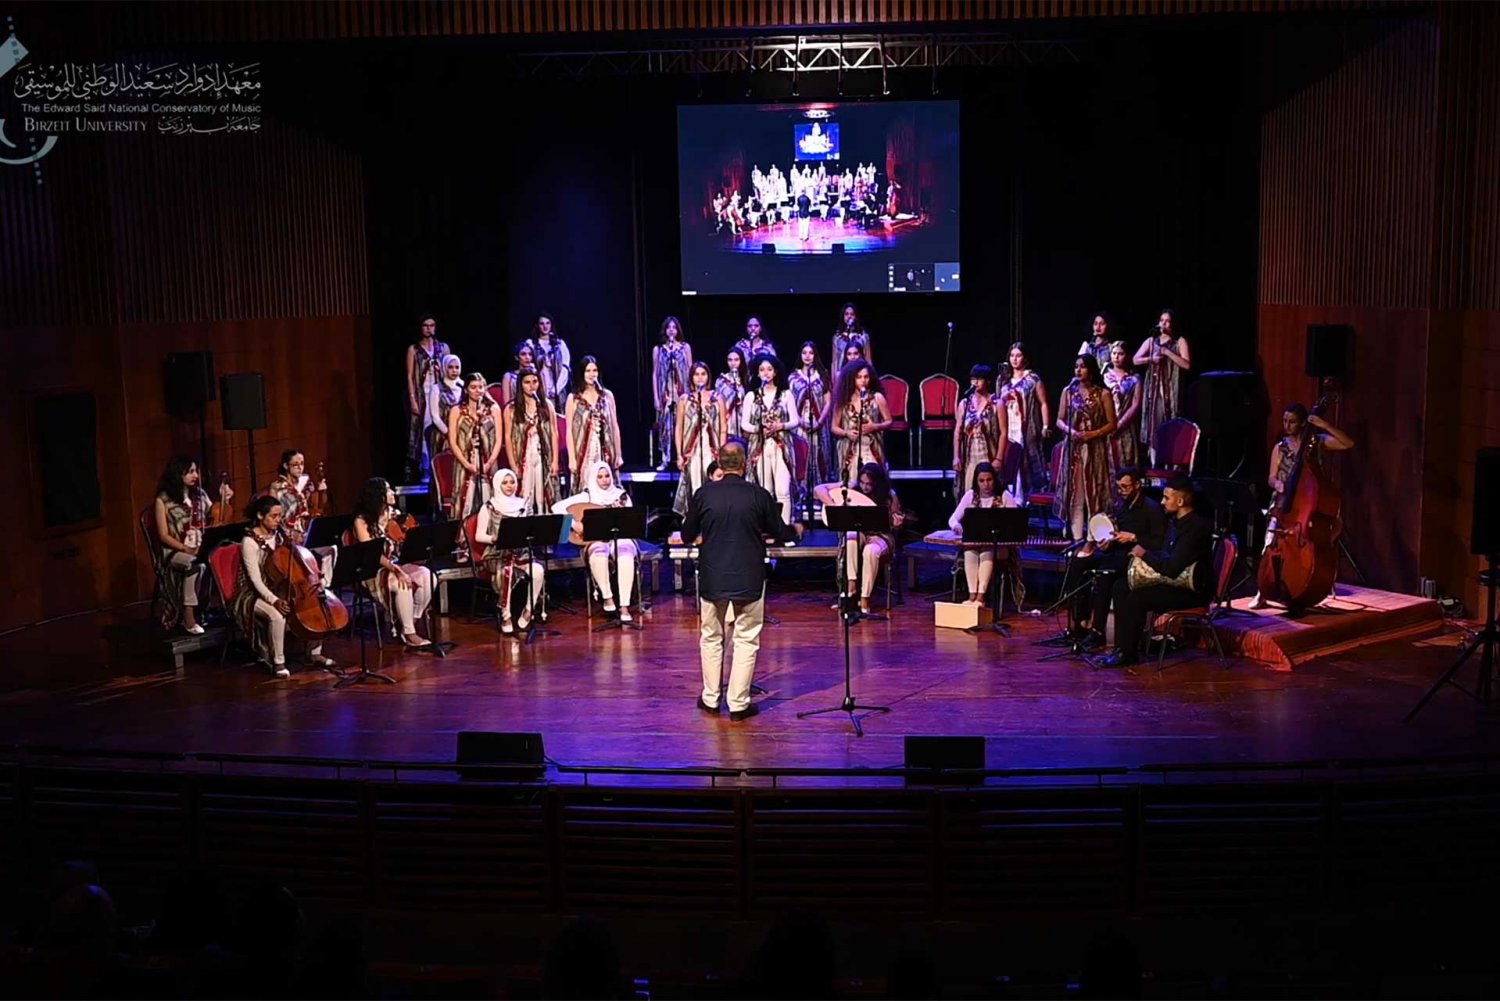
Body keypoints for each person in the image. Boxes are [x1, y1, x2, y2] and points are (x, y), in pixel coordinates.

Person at [681, 440, 801, 720]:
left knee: (711, 637)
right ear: (745, 464)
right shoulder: (758, 495)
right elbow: (778, 531)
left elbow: (688, 534)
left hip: (713, 574)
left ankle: (711, 698)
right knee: (746, 638)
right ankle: (738, 704)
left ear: (720, 464)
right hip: (748, 575)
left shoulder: (703, 494)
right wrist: (795, 530)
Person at [1248, 403, 1355, 609]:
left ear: (1303, 423)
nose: (1287, 425)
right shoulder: (1280, 447)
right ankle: (1262, 590)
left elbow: (1347, 443)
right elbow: (1271, 477)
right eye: (1285, 421)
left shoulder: (1315, 442)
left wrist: (1323, 424)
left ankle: (1312, 570)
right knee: (1270, 541)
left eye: (1292, 421)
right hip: (1283, 503)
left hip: (1307, 503)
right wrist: (1277, 483)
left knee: (1336, 524)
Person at [1100, 476, 1213, 668]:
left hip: (1191, 591)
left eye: (1166, 498)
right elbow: (1165, 555)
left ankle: (1129, 654)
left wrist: (1143, 554)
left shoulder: (1195, 528)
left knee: (1138, 597)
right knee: (1121, 586)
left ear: (1180, 501)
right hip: (1173, 581)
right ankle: (1122, 647)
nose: (1162, 502)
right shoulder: (1175, 523)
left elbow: (1171, 569)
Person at [233, 494, 338, 678]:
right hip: (253, 593)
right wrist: (274, 601)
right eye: (273, 516)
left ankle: (315, 654)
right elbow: (255, 580)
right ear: (260, 516)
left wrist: (294, 542)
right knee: (277, 615)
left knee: (315, 604)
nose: (278, 520)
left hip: (280, 586)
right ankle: (278, 662)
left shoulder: (280, 535)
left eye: (280, 516)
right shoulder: (249, 542)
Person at [1068, 468, 1167, 649]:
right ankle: (1080, 622)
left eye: (1125, 487)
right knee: (1078, 563)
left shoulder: (1152, 508)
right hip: (1117, 552)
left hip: (1137, 557)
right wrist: (1107, 544)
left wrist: (1134, 537)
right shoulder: (1121, 506)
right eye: (1119, 487)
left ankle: (1098, 631)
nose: (1121, 491)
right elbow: (1115, 535)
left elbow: (1159, 541)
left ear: (1137, 485)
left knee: (1106, 573)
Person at [351, 478, 434, 649]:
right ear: (378, 495)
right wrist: (396, 570)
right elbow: (372, 554)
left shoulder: (395, 515)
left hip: (396, 564)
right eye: (389, 490)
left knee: (427, 575)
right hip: (373, 570)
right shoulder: (361, 521)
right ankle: (410, 634)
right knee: (401, 582)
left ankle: (411, 620)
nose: (393, 493)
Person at [152, 456, 232, 633]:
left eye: (196, 471)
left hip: (201, 546)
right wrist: (186, 549)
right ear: (177, 474)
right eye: (190, 472)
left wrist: (223, 499)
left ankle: (230, 608)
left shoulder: (200, 495)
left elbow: (216, 516)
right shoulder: (163, 500)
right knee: (194, 564)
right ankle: (188, 615)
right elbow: (163, 535)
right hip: (175, 551)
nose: (195, 475)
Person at [553, 462, 639, 622]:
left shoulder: (621, 495)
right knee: (599, 552)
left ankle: (625, 606)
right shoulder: (587, 496)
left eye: (607, 476)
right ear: (594, 478)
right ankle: (607, 597)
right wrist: (574, 524)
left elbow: (630, 520)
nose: (605, 480)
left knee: (625, 552)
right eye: (600, 477)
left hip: (619, 538)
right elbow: (556, 507)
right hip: (595, 539)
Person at [818, 463, 904, 616]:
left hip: (882, 535)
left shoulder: (889, 495)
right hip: (861, 533)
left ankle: (865, 597)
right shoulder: (853, 487)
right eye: (862, 483)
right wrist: (834, 506)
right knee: (851, 536)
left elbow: (896, 524)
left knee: (870, 551)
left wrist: (897, 524)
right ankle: (851, 585)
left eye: (869, 484)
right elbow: (819, 490)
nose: (864, 487)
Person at [1053, 354, 1118, 541]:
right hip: (1073, 448)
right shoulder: (1069, 391)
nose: (1078, 370)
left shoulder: (1103, 394)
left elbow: (1112, 424)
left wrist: (1092, 434)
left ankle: (1093, 537)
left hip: (1094, 449)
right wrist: (1070, 431)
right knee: (1076, 494)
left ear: (1091, 370)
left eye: (1082, 366)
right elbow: (1059, 420)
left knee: (1094, 492)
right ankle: (1076, 538)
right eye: (1076, 367)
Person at [473, 468, 546, 635]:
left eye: (512, 482)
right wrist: (495, 538)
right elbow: (479, 536)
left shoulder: (523, 504)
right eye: (505, 483)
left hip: (521, 553)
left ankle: (528, 610)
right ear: (497, 484)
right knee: (504, 573)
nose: (509, 486)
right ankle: (505, 614)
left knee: (538, 571)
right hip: (497, 553)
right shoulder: (489, 507)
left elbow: (532, 529)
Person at [947, 461, 1018, 605]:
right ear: (976, 481)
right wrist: (956, 526)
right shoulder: (970, 496)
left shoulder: (1004, 496)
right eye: (982, 481)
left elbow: (1016, 521)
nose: (986, 484)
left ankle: (981, 597)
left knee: (987, 549)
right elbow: (953, 518)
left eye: (989, 480)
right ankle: (972, 596)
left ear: (994, 479)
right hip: (975, 544)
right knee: (969, 549)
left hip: (999, 548)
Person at [741, 353, 800, 525]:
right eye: (762, 370)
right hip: (760, 446)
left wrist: (780, 426)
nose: (765, 373)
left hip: (781, 446)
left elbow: (795, 421)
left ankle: (785, 528)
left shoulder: (786, 394)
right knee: (765, 490)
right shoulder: (751, 396)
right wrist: (759, 429)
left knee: (782, 490)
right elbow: (745, 424)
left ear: (775, 373)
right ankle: (767, 529)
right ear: (757, 374)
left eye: (769, 369)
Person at [265, 449, 335, 582]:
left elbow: (317, 507)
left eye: (302, 464)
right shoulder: (277, 487)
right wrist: (289, 532)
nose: (300, 467)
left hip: (307, 531)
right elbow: (273, 515)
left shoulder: (307, 483)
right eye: (295, 464)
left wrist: (322, 491)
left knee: (331, 549)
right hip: (288, 535)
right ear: (286, 466)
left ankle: (324, 586)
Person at [1133, 309, 1191, 459]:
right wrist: (1150, 359)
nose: (1163, 324)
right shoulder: (1152, 341)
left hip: (1171, 389)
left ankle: (1170, 459)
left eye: (1167, 321)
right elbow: (1135, 359)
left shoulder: (1179, 341)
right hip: (1153, 388)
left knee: (1169, 418)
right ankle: (1154, 460)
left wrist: (1168, 353)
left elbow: (1186, 365)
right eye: (1161, 320)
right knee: (1153, 420)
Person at [502, 367, 561, 515]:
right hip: (525, 457)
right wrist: (513, 464)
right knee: (526, 493)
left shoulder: (546, 405)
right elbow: (508, 437)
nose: (531, 386)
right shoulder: (511, 408)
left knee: (543, 494)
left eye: (535, 382)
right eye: (527, 382)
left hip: (542, 456)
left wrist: (554, 461)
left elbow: (554, 433)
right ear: (520, 385)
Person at [446, 371, 503, 524]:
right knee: (464, 500)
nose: (478, 390)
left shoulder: (493, 409)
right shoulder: (456, 411)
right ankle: (463, 539)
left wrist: (489, 463)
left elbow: (498, 440)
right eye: (473, 387)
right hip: (465, 461)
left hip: (487, 462)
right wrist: (467, 464)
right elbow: (453, 441)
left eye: (481, 387)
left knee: (489, 499)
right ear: (466, 390)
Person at [673, 361, 726, 517]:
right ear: (691, 378)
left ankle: (713, 518)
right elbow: (679, 428)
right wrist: (679, 455)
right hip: (692, 449)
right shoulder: (684, 399)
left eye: (703, 374)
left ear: (708, 376)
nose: (700, 377)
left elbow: (723, 426)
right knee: (696, 484)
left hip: (712, 447)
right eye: (696, 374)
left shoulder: (717, 398)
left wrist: (721, 453)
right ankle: (697, 520)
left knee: (713, 483)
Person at [999, 342, 1051, 496]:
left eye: (1018, 355)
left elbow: (1043, 403)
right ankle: (1011, 497)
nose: (1015, 359)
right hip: (1008, 426)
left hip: (1027, 427)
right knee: (1010, 461)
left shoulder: (1032, 379)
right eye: (1012, 355)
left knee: (1026, 461)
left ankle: (1026, 498)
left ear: (1025, 358)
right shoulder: (1003, 380)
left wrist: (1045, 425)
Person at [564, 355, 623, 487]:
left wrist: (618, 454)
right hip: (584, 452)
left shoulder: (606, 396)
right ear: (582, 373)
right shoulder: (573, 398)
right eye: (588, 371)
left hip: (604, 449)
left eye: (594, 370)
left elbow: (614, 426)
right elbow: (568, 430)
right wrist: (572, 459)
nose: (592, 374)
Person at [404, 313, 449, 483]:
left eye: (432, 325)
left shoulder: (442, 348)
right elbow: (409, 376)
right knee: (425, 431)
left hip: (439, 395)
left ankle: (442, 467)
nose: (429, 329)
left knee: (442, 429)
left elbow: (449, 370)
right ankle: (426, 468)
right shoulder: (414, 350)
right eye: (425, 325)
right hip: (423, 395)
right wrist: (412, 399)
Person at [830, 359, 892, 483]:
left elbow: (889, 421)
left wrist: (875, 427)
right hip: (849, 449)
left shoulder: (877, 397)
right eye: (859, 377)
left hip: (871, 447)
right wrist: (846, 433)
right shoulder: (842, 400)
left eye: (866, 377)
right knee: (851, 482)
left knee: (873, 481)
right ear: (851, 379)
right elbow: (834, 427)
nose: (863, 380)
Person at [952, 363, 1006, 503]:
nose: (975, 382)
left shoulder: (997, 404)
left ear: (987, 381)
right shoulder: (964, 404)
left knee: (989, 494)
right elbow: (958, 431)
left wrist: (999, 458)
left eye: (979, 379)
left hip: (989, 455)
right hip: (969, 458)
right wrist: (956, 457)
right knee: (969, 495)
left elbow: (1003, 433)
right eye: (973, 379)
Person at [789, 341, 833, 490]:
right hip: (800, 424)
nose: (807, 356)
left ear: (815, 355)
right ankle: (801, 492)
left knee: (818, 456)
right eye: (804, 353)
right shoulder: (793, 378)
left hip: (818, 424)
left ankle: (818, 492)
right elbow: (790, 403)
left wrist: (819, 423)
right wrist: (800, 421)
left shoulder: (822, 375)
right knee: (802, 456)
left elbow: (828, 401)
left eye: (811, 353)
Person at [651, 317, 693, 471]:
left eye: (674, 328)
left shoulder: (684, 348)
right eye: (668, 328)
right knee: (666, 427)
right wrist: (656, 396)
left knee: (683, 425)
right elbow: (655, 374)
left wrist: (692, 393)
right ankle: (665, 459)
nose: (671, 330)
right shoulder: (659, 349)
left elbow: (691, 369)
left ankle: (684, 456)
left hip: (682, 391)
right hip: (666, 393)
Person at [1103, 341, 1142, 472]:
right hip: (1106, 424)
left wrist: (1120, 424)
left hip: (1125, 424)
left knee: (1126, 459)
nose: (1116, 357)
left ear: (1127, 356)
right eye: (1114, 353)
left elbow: (1135, 404)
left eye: (1120, 354)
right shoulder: (1104, 377)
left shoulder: (1134, 379)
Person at [524, 312, 572, 412]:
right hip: (539, 388)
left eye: (548, 323)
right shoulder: (531, 343)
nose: (545, 326)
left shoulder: (560, 344)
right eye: (542, 324)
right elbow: (528, 367)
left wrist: (556, 389)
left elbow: (565, 369)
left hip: (558, 390)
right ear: (537, 326)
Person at [425, 353, 464, 465]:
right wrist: (449, 433)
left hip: (462, 432)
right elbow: (435, 416)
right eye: (450, 367)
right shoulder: (437, 388)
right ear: (444, 368)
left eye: (457, 367)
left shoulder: (464, 386)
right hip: (442, 433)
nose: (454, 370)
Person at [831, 302, 872, 368]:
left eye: (852, 314)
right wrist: (834, 377)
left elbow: (868, 360)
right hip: (843, 372)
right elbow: (834, 362)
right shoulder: (837, 338)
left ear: (856, 317)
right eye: (846, 314)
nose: (849, 316)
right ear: (843, 316)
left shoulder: (863, 336)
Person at [715, 347, 750, 418]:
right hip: (725, 417)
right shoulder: (721, 380)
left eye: (736, 360)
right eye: (730, 360)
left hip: (742, 418)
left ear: (741, 361)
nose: (733, 363)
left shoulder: (746, 379)